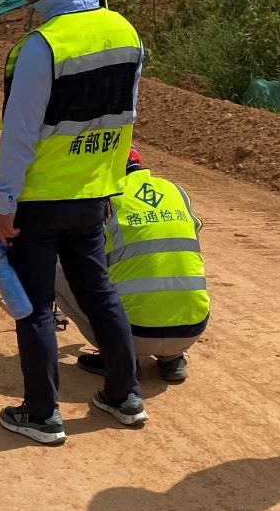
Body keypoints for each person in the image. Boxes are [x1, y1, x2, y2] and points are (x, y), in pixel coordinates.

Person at [0, 0, 144, 445]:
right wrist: (109, 183)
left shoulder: (42, 46)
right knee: (99, 292)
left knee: (35, 305)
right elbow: (124, 119)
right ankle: (124, 395)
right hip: (93, 192)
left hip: (40, 198)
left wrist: (4, 203)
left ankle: (41, 413)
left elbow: (20, 134)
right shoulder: (125, 32)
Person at [57, 147, 208, 384]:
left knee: (58, 267)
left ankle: (119, 358)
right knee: (172, 263)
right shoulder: (176, 191)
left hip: (135, 332)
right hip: (192, 328)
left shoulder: (104, 199)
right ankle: (172, 358)